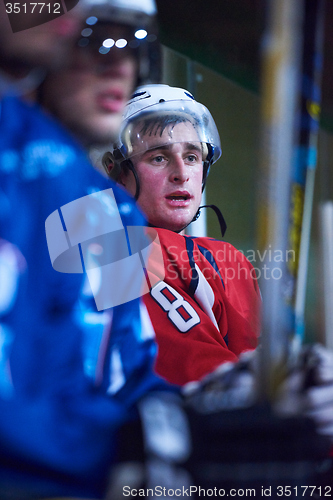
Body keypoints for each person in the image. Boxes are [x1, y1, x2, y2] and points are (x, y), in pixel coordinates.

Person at [0, 2, 171, 499]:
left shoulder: (113, 211)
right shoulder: (33, 162)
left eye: (134, 46)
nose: (120, 66)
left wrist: (214, 414)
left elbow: (123, 373)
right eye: (99, 39)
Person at [102, 84, 261, 386]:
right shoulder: (112, 253)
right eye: (158, 158)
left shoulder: (230, 259)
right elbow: (196, 376)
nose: (181, 173)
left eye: (191, 157)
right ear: (116, 173)